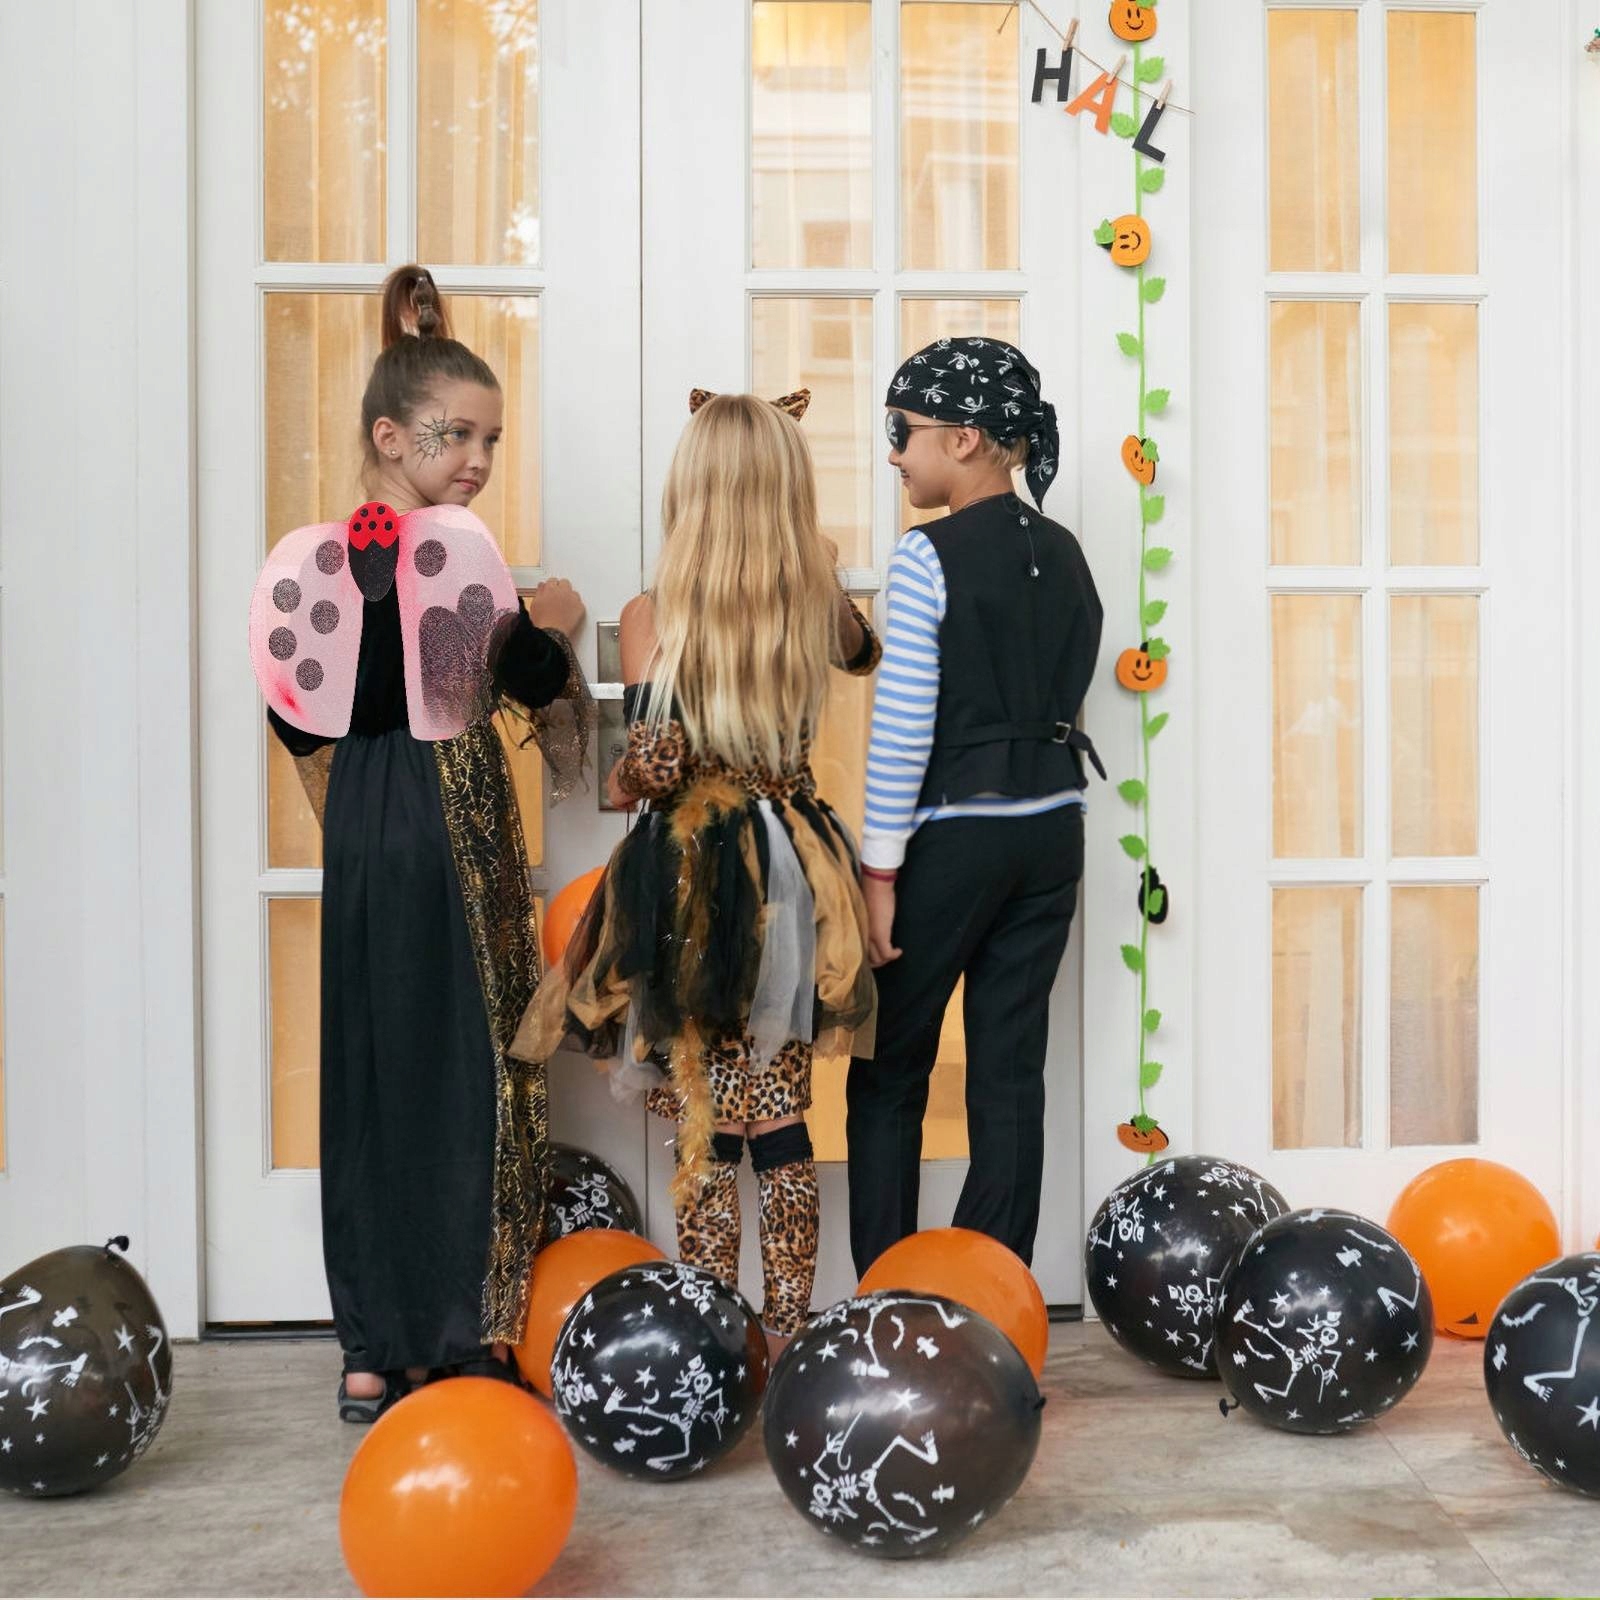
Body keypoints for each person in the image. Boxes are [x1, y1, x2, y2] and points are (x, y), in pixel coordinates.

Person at [259, 264, 595, 1420]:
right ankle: (467, 1335)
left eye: (492, 440)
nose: (480, 460)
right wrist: (553, 621)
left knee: (369, 1067)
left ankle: (370, 1350)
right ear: (390, 435)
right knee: (477, 1064)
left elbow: (293, 710)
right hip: (453, 816)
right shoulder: (458, 561)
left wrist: (361, 781)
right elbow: (527, 682)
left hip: (364, 820)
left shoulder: (320, 565)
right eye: (459, 436)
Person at [514, 389, 878, 1357]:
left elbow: (646, 771)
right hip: (792, 874)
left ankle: (716, 1333)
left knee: (706, 1116)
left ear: (692, 490)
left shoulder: (654, 616)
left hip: (688, 878)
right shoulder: (814, 605)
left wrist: (632, 773)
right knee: (782, 1117)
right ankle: (791, 1333)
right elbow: (862, 650)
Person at [845, 336, 1104, 1278]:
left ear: (962, 438)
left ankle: (889, 1294)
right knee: (1008, 1072)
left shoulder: (927, 556)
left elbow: (903, 730)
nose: (892, 453)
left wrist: (880, 874)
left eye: (901, 430)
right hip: (1053, 833)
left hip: (954, 840)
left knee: (889, 1069)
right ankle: (991, 1298)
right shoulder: (1067, 554)